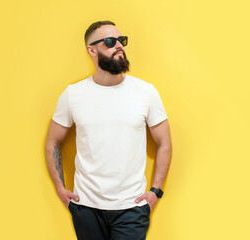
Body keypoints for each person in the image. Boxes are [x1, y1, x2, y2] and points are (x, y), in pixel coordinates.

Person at [45, 20, 172, 240]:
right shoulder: (73, 94)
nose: (119, 46)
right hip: (85, 206)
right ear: (91, 49)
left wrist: (155, 192)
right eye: (110, 42)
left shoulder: (145, 92)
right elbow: (52, 142)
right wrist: (60, 188)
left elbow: (165, 143)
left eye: (121, 41)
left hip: (132, 207)